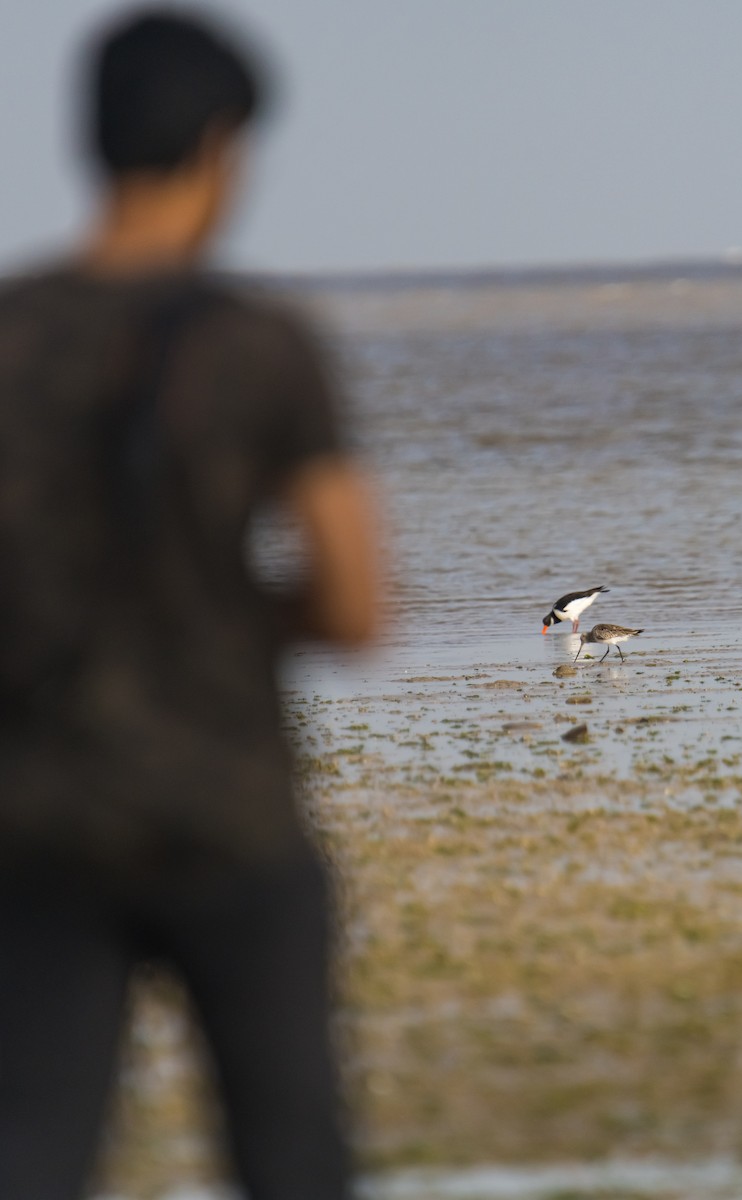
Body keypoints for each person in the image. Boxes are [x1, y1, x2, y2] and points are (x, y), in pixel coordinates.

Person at [0, 9, 380, 1199]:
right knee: (290, 1152)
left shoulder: (9, 337)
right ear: (223, 146)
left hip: (39, 818)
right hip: (229, 813)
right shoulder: (261, 345)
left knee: (33, 1152)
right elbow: (356, 603)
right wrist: (234, 611)